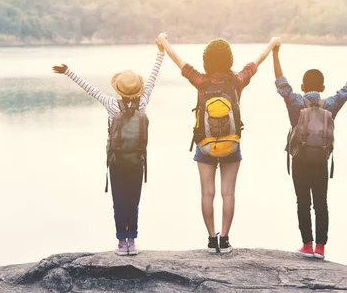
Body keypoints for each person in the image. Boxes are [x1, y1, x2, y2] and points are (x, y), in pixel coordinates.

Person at [158, 32, 281, 253]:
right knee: (228, 193)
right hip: (231, 145)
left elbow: (179, 62)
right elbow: (256, 62)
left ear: (207, 60)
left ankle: (210, 239)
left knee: (207, 193)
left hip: (204, 145)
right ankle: (224, 240)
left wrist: (164, 41)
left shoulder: (201, 82)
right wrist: (273, 44)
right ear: (229, 60)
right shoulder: (237, 81)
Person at [51, 38, 165, 256]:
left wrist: (68, 72)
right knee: (134, 200)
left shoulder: (112, 105)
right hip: (138, 160)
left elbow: (89, 88)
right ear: (138, 89)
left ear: (120, 89)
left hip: (117, 162)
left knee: (119, 200)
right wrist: (161, 53)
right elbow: (153, 76)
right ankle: (133, 240)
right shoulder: (144, 102)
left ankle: (122, 242)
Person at [273, 43, 347, 259]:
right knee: (321, 203)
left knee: (302, 202)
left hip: (299, 159)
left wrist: (275, 53)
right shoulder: (330, 104)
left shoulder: (296, 101)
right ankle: (320, 249)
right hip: (320, 162)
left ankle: (307, 245)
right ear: (322, 88)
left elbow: (281, 84)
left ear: (303, 86)